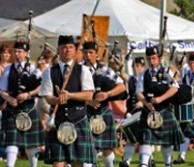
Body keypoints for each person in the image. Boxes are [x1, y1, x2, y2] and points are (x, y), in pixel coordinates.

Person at [39, 36, 96, 167]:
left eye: (70, 47)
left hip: (78, 120)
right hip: (58, 121)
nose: (67, 50)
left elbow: (89, 95)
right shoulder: (49, 71)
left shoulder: (83, 70)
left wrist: (70, 95)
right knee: (58, 163)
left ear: (75, 50)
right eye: (64, 47)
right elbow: (48, 98)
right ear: (58, 50)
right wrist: (57, 99)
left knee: (77, 163)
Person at [136, 45, 184, 167]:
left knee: (167, 142)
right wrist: (146, 103)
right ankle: (144, 164)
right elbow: (139, 93)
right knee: (146, 140)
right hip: (149, 112)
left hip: (164, 110)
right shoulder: (143, 74)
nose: (151, 62)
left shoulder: (168, 71)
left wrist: (160, 99)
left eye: (153, 58)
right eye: (149, 59)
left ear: (159, 58)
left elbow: (175, 88)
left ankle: (167, 164)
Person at [0, 41, 44, 167]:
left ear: (26, 53)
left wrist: (28, 95)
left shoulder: (34, 69)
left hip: (29, 109)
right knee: (12, 142)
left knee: (31, 143)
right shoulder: (8, 69)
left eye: (19, 51)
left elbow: (41, 87)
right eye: (15, 51)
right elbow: (2, 90)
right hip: (12, 110)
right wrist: (8, 99)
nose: (16, 54)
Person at [83, 41, 126, 167]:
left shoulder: (106, 70)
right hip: (84, 113)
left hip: (103, 112)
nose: (88, 55)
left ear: (96, 54)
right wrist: (87, 101)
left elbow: (122, 86)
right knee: (87, 148)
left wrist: (108, 94)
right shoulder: (78, 70)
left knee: (107, 149)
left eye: (91, 53)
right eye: (85, 52)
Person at [119, 57, 152, 167]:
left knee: (145, 138)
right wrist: (120, 65)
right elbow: (122, 74)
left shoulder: (148, 79)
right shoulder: (131, 79)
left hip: (144, 112)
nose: (136, 68)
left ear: (143, 67)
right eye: (134, 66)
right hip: (131, 113)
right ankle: (127, 161)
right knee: (131, 138)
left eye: (139, 66)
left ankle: (147, 160)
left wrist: (143, 103)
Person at [173, 53, 194, 165]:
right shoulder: (185, 76)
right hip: (188, 107)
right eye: (191, 63)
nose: (193, 65)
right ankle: (182, 155)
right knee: (186, 132)